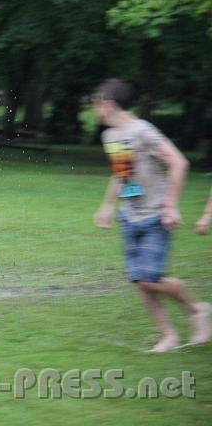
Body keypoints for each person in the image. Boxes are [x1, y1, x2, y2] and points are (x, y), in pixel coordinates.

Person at [92, 78, 211, 351]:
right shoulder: (110, 136)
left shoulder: (143, 131)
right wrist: (108, 207)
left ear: (108, 105)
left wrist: (170, 206)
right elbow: (123, 175)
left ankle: (197, 310)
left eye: (96, 104)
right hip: (130, 216)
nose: (95, 110)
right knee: (140, 280)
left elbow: (179, 163)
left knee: (150, 278)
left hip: (157, 216)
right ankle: (168, 335)